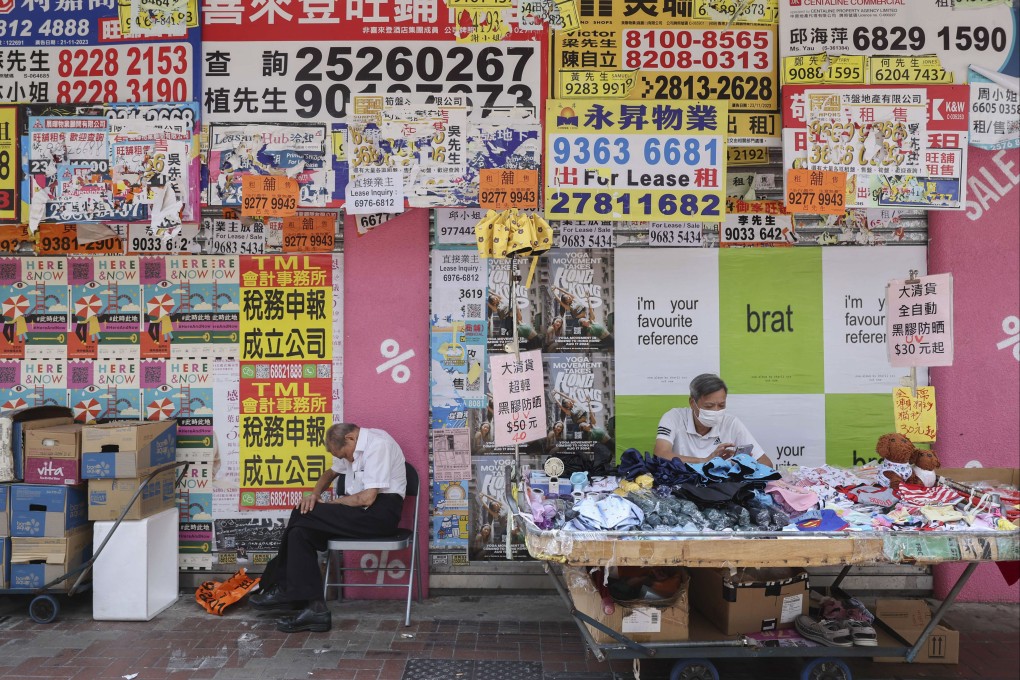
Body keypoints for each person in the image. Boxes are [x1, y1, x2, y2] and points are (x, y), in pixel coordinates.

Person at [248, 423, 407, 633]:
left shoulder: (379, 445)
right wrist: (315, 495)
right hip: (359, 512)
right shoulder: (352, 445)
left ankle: (280, 585)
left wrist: (325, 506)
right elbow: (330, 474)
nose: (344, 460)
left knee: (303, 513)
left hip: (380, 515)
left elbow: (367, 498)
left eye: (343, 455)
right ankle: (315, 609)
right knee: (299, 533)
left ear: (350, 438)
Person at [653, 373, 773, 466]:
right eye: (709, 406)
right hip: (682, 487)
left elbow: (767, 463)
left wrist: (744, 467)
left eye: (721, 405)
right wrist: (706, 460)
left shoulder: (731, 423)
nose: (716, 411)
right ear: (692, 403)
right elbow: (660, 454)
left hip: (720, 489)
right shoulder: (674, 417)